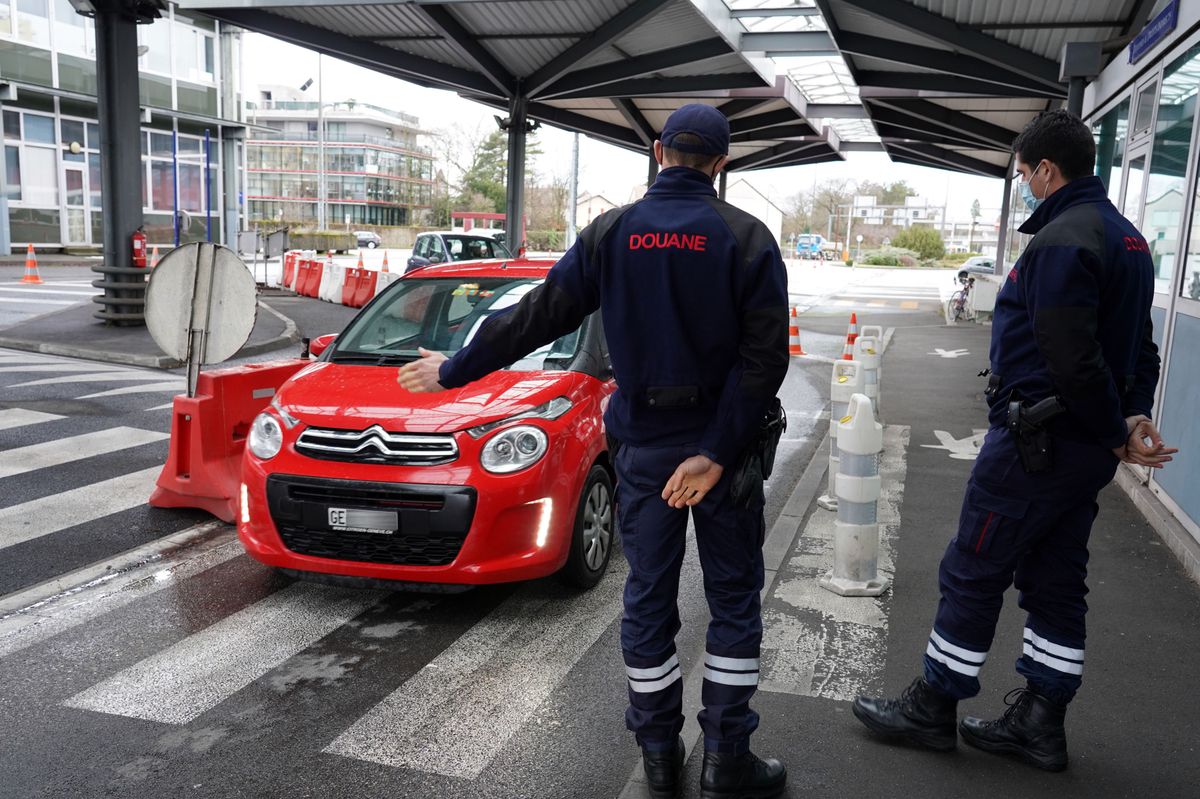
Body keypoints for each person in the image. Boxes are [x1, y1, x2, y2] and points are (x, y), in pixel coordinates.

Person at [397, 103, 790, 799]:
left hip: (641, 449)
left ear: (657, 150)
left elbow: (538, 315)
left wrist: (455, 367)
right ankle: (728, 762)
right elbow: (764, 364)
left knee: (646, 599)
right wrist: (719, 453)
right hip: (722, 459)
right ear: (721, 164)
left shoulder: (612, 232)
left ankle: (660, 758)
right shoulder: (747, 237)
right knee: (733, 599)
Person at [851, 109, 1178, 771]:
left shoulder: (1062, 239)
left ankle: (932, 705)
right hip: (1079, 449)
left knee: (974, 566)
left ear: (1047, 169)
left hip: (1040, 442)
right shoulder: (1128, 240)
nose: (1024, 181)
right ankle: (1040, 719)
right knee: (1056, 578)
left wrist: (1111, 423)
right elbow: (1138, 347)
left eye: (1025, 171)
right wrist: (1129, 412)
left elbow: (1071, 357)